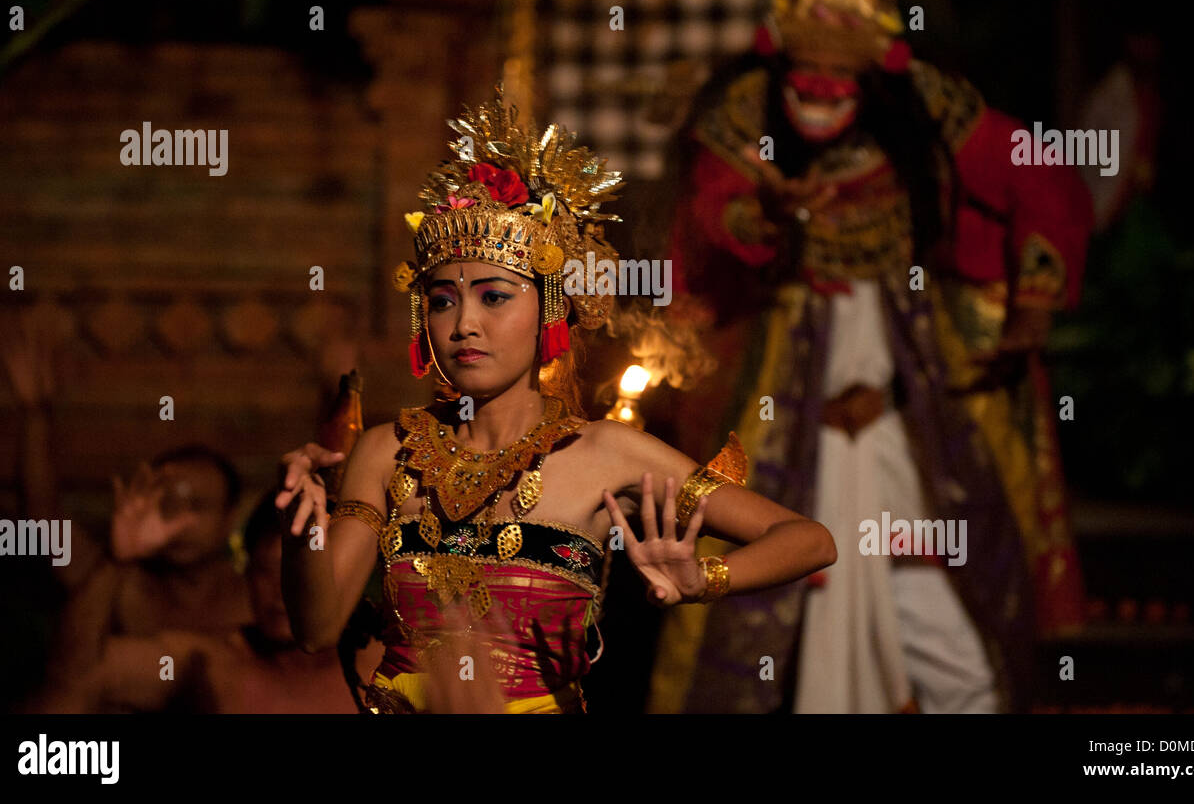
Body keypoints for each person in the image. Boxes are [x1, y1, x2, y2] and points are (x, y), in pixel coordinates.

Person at [646, 0, 1093, 713]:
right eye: (803, 73)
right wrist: (767, 214)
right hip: (785, 411)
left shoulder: (927, 109)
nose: (816, 89)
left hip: (912, 414)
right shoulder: (744, 116)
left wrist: (1033, 296)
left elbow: (1042, 173)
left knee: (946, 605)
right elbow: (710, 220)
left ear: (877, 73)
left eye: (836, 76)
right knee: (770, 612)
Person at [276, 84, 837, 713]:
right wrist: (303, 539)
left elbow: (810, 540)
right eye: (442, 301)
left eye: (494, 297)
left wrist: (705, 579)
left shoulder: (606, 453)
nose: (464, 324)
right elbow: (315, 631)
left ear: (550, 310)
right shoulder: (387, 451)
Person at [38, 487, 377, 712]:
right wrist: (116, 560)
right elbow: (76, 672)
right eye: (263, 571)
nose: (279, 590)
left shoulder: (388, 660)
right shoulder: (209, 662)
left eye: (297, 574)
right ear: (245, 576)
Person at [43, 444, 254, 694]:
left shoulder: (260, 596)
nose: (179, 522)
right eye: (167, 505)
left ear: (230, 517)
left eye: (197, 506)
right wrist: (34, 411)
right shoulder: (121, 585)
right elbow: (44, 519)